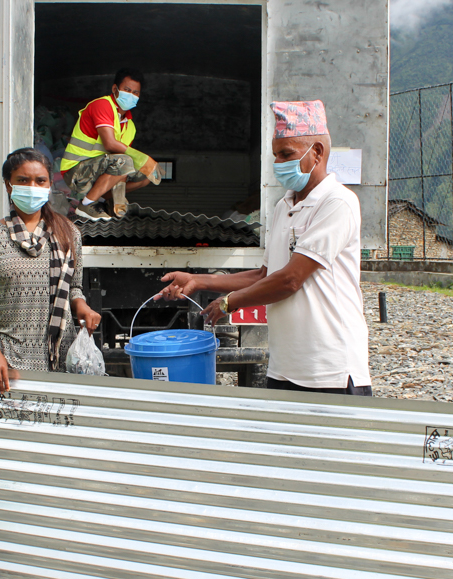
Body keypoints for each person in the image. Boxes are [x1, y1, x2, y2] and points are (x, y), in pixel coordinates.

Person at [156, 100, 371, 395]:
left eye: (287, 154)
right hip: (285, 368)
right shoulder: (284, 206)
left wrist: (230, 302)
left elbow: (290, 279)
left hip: (329, 371)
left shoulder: (337, 202)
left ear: (317, 153)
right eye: (275, 156)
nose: (279, 164)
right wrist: (198, 280)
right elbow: (264, 275)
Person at [0, 148, 101, 392]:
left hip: (63, 359)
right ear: (9, 185)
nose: (32, 186)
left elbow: (75, 288)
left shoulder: (69, 233)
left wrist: (82, 307)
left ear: (49, 185)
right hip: (11, 361)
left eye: (40, 180)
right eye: (22, 180)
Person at [59, 68, 160, 220]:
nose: (131, 95)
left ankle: (100, 201)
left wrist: (119, 198)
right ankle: (86, 205)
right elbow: (110, 144)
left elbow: (123, 167)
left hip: (99, 173)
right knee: (127, 160)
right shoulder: (103, 105)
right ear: (115, 89)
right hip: (76, 172)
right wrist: (145, 159)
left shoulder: (130, 126)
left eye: (136, 93)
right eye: (127, 90)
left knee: (145, 176)